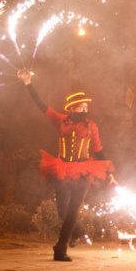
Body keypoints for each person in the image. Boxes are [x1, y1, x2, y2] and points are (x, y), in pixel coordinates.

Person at [18, 70, 116, 261]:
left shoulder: (91, 126)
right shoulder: (61, 120)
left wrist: (110, 172)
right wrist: (28, 83)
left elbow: (98, 149)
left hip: (83, 171)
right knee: (62, 210)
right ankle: (77, 231)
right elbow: (41, 106)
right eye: (81, 107)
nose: (85, 109)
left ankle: (60, 248)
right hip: (62, 169)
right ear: (73, 108)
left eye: (86, 106)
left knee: (72, 210)